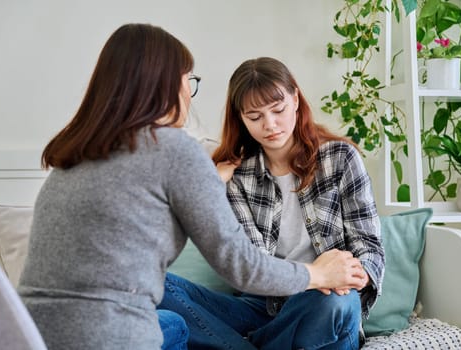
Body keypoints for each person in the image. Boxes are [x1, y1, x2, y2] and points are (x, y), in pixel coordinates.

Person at [17, 25, 369, 350]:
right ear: (164, 83)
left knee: (170, 320)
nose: (190, 90)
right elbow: (243, 267)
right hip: (114, 335)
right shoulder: (173, 149)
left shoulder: (69, 159)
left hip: (31, 333)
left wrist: (341, 277)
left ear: (295, 99)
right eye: (189, 79)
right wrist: (318, 272)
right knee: (169, 313)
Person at [159, 57, 385, 349]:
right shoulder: (239, 175)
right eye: (254, 117)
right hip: (261, 308)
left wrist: (347, 277)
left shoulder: (341, 158)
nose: (270, 125)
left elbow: (369, 248)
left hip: (321, 303)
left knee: (338, 304)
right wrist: (214, 184)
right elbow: (254, 269)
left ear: (295, 99)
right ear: (240, 118)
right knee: (155, 283)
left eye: (278, 110)